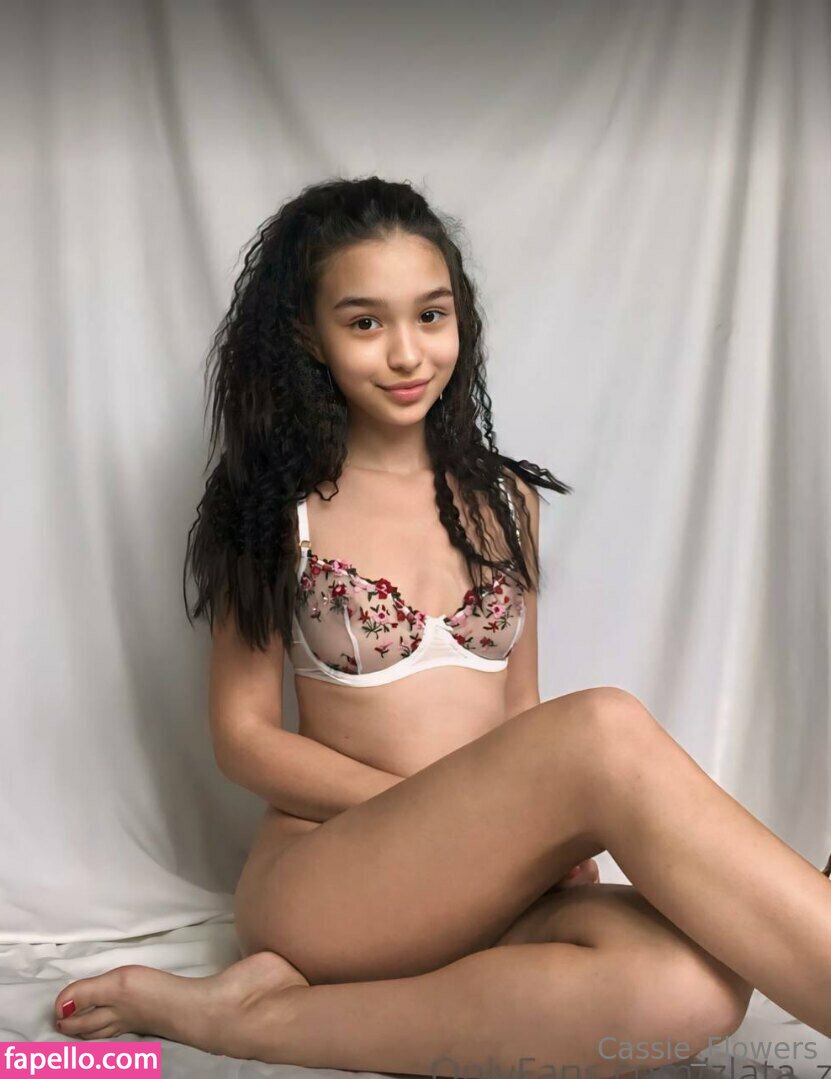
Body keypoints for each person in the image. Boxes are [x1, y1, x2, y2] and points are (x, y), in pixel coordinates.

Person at [52, 176, 831, 1073]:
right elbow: (243, 739)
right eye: (364, 322)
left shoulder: (505, 500)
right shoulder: (273, 507)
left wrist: (521, 833)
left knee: (694, 989)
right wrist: (466, 814)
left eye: (430, 315)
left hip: (477, 882)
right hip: (327, 876)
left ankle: (256, 1015)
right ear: (308, 335)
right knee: (602, 728)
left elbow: (520, 716)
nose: (406, 353)